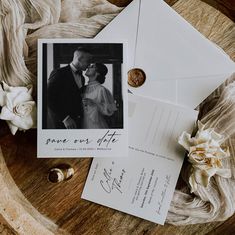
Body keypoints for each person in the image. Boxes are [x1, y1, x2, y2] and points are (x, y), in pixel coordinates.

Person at [47, 47, 92, 129]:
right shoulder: (59, 73)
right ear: (79, 59)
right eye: (88, 61)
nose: (89, 64)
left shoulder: (82, 77)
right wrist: (65, 118)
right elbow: (47, 97)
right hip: (61, 123)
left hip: (77, 121)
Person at [82, 63, 117, 129]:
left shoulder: (101, 90)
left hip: (95, 126)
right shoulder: (83, 88)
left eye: (92, 66)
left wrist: (94, 103)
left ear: (97, 73)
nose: (88, 67)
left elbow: (110, 110)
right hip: (82, 124)